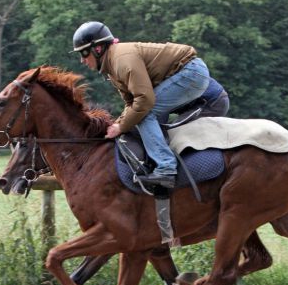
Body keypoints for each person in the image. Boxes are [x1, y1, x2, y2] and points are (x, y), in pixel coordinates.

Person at [72, 21, 214, 189]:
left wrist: (121, 126)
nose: (82, 60)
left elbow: (144, 101)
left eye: (84, 53)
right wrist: (119, 124)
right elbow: (130, 102)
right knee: (137, 114)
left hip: (191, 73)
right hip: (188, 72)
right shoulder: (112, 66)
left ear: (98, 49)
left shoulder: (122, 61)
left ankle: (166, 169)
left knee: (145, 113)